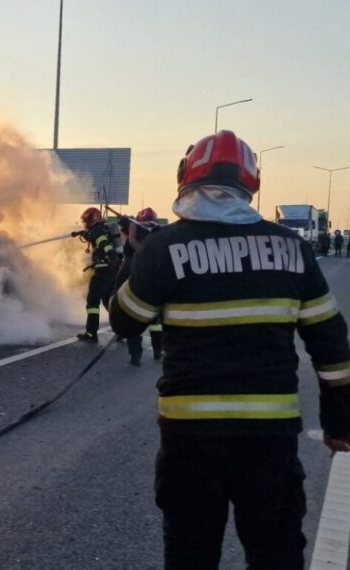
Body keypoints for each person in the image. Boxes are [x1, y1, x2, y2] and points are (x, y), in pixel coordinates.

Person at [110, 130, 350, 569]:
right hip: (269, 437)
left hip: (190, 438)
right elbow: (331, 342)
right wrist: (339, 421)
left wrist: (133, 251)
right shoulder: (292, 247)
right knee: (275, 551)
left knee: (190, 551)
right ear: (250, 182)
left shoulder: (164, 247)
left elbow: (125, 320)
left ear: (186, 177)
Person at [115, 207, 163, 365]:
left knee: (133, 315)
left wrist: (133, 231)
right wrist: (125, 223)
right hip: (145, 277)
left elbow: (135, 245)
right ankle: (154, 352)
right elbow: (122, 232)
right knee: (153, 317)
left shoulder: (150, 237)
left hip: (135, 275)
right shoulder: (154, 234)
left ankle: (139, 354)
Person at [72, 207, 119, 342]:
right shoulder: (102, 229)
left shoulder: (97, 231)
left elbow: (103, 243)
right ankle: (122, 329)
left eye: (85, 221)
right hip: (111, 272)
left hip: (102, 272)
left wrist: (111, 254)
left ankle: (91, 333)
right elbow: (94, 236)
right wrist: (81, 233)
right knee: (108, 302)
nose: (85, 224)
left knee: (93, 301)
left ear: (90, 219)